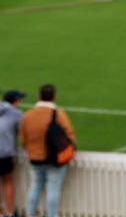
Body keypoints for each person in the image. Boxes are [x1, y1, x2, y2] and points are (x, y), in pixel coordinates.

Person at [18, 84, 75, 217]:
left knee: (35, 186)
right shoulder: (58, 114)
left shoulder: (28, 115)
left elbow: (23, 138)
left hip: (34, 157)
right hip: (54, 158)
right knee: (53, 189)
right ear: (54, 97)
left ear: (39, 96)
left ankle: (30, 214)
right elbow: (70, 134)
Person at [0, 90, 23, 217]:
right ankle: (9, 212)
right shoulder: (15, 114)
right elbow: (22, 131)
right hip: (5, 153)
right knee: (7, 181)